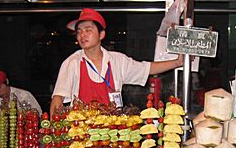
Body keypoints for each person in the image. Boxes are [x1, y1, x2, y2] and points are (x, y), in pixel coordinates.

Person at [50, 8, 183, 114]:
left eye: (88, 30)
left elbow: (147, 68)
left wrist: (177, 62)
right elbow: (58, 99)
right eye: (79, 31)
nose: (82, 35)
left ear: (101, 34)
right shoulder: (72, 63)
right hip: (81, 137)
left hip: (113, 135)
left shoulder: (117, 61)